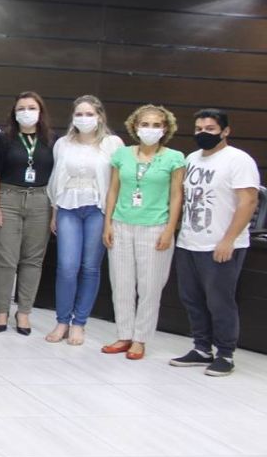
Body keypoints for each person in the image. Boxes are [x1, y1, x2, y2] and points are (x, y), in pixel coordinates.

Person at [169, 109, 260, 377]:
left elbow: (249, 202)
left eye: (210, 129)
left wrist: (228, 239)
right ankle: (201, 348)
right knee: (191, 298)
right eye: (198, 129)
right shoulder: (192, 158)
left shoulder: (238, 160)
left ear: (225, 131)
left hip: (221, 244)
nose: (203, 134)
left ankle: (225, 354)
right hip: (189, 242)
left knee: (220, 301)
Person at [102, 105, 185, 359]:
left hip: (155, 226)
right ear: (134, 127)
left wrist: (170, 229)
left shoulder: (174, 158)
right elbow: (113, 190)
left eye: (156, 125)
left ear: (165, 129)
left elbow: (176, 195)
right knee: (121, 284)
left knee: (149, 287)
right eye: (145, 124)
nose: (150, 129)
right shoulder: (122, 155)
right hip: (121, 224)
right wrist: (108, 223)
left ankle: (141, 339)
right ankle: (124, 334)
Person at [44, 95, 124, 345]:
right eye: (79, 114)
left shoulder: (112, 143)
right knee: (67, 267)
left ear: (99, 116)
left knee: (90, 267)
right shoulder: (63, 144)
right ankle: (62, 321)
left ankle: (80, 323)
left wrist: (110, 219)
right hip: (68, 207)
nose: (84, 119)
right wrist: (55, 211)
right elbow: (56, 179)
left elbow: (116, 183)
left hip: (97, 209)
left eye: (89, 114)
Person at [0, 91, 54, 335]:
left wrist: (54, 211)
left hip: (41, 200)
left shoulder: (51, 140)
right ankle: (1, 310)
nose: (27, 112)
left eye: (32, 107)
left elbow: (56, 177)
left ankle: (24, 312)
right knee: (5, 260)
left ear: (40, 111)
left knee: (33, 261)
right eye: (22, 108)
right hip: (8, 199)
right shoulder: (3, 139)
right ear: (14, 113)